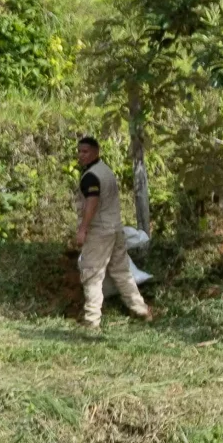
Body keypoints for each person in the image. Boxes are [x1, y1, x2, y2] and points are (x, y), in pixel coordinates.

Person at [69, 136, 150, 331]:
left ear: (96, 152)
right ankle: (141, 310)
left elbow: (92, 202)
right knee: (122, 272)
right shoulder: (106, 170)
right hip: (115, 229)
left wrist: (83, 230)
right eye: (79, 151)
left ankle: (92, 321)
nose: (81, 155)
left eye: (85, 151)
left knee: (92, 273)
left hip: (100, 232)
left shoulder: (91, 176)